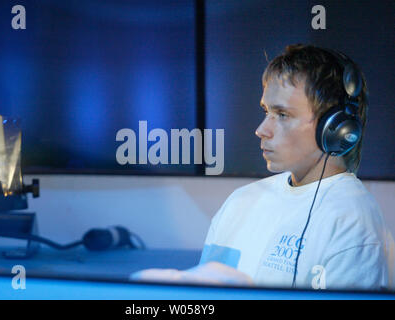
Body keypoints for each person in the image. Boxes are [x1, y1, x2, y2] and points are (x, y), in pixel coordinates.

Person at [131, 44, 394, 291]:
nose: (261, 130)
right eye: (266, 112)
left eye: (282, 115)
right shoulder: (241, 201)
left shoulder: (352, 221)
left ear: (336, 129)